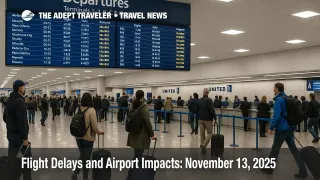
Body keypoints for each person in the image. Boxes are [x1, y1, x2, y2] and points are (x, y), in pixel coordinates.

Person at [260, 83, 307, 178]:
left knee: (275, 149)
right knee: (294, 150)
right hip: (290, 127)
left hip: (282, 128)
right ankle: (303, 170)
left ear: (277, 89)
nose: (273, 90)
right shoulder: (287, 98)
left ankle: (269, 168)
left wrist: (271, 128)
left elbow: (276, 116)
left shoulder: (279, 99)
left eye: (274, 88)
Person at [3, 80, 32, 180]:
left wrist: (11, 125)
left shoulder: (9, 100)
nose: (24, 89)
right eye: (24, 87)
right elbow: (22, 122)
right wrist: (25, 138)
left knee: (13, 162)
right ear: (20, 88)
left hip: (11, 136)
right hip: (20, 137)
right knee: (27, 162)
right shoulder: (20, 101)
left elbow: (4, 117)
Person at [71, 93, 104, 180]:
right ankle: (84, 177)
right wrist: (98, 132)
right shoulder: (91, 110)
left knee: (83, 155)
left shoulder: (79, 108)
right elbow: (94, 125)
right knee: (86, 157)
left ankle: (75, 173)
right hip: (88, 137)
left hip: (78, 137)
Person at [127, 90, 156, 158]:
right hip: (141, 134)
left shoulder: (132, 106)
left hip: (133, 132)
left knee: (136, 152)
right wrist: (152, 134)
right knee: (139, 154)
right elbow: (147, 122)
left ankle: (135, 166)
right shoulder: (143, 107)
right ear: (143, 96)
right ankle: (136, 166)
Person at [198, 88, 216, 154]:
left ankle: (203, 149)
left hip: (200, 118)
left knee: (202, 134)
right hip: (208, 119)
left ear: (203, 93)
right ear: (208, 93)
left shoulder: (199, 100)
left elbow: (197, 109)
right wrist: (215, 118)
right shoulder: (209, 100)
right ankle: (204, 145)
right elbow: (212, 110)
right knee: (210, 133)